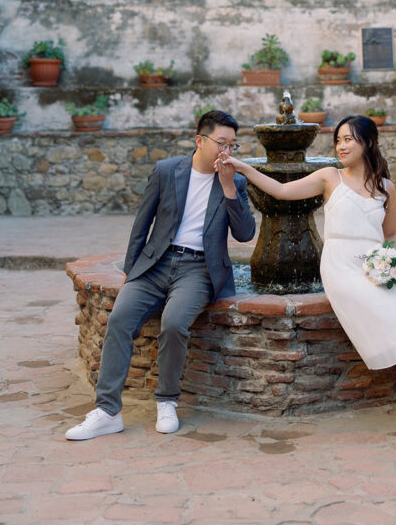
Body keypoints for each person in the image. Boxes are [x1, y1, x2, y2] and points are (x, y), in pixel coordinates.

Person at [218, 114, 396, 440]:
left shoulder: (386, 188)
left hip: (379, 263)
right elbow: (280, 191)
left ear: (368, 142)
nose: (341, 145)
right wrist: (242, 168)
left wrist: (389, 263)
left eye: (348, 138)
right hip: (341, 265)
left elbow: (391, 234)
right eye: (338, 140)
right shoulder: (329, 177)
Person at [65, 110, 255, 440]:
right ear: (200, 140)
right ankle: (107, 411)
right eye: (221, 143)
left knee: (174, 323)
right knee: (120, 319)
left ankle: (167, 400)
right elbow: (141, 225)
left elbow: (245, 234)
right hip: (155, 265)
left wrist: (226, 187)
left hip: (198, 270)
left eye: (232, 146)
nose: (227, 152)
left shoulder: (235, 181)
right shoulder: (167, 171)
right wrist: (132, 272)